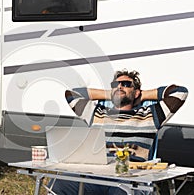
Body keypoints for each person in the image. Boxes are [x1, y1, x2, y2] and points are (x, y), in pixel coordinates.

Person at [49, 69, 188, 195]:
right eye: (115, 84)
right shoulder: (97, 113)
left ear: (136, 91)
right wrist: (111, 94)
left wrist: (143, 95)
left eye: (126, 84)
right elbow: (72, 94)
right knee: (58, 185)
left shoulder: (150, 115)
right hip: (97, 174)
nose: (119, 86)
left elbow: (180, 92)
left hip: (130, 175)